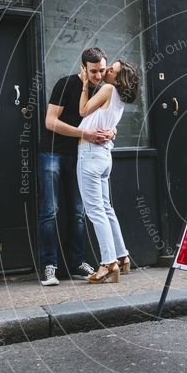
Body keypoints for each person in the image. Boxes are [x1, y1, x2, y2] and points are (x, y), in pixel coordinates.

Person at [37, 48, 114, 286]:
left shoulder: (104, 89)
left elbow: (109, 121)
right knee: (50, 210)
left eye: (102, 70)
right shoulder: (65, 84)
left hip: (83, 156)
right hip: (53, 153)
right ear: (83, 68)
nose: (98, 75)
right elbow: (50, 121)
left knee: (80, 212)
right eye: (93, 71)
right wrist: (85, 133)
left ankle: (77, 262)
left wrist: (112, 131)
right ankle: (50, 266)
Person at [76, 59, 140, 283]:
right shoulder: (119, 98)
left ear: (118, 78)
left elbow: (83, 110)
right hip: (104, 156)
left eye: (112, 70)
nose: (107, 71)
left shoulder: (108, 89)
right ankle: (122, 257)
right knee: (106, 208)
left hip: (90, 154)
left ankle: (108, 263)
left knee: (96, 212)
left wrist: (85, 85)